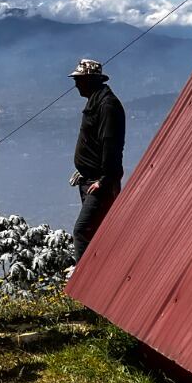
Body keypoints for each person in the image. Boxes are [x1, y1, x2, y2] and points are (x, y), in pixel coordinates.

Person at [69, 58, 125, 261]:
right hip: (90, 180)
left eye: (79, 80)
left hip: (99, 183)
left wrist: (104, 180)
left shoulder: (107, 105)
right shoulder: (96, 102)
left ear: (91, 80)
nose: (76, 84)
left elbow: (111, 146)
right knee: (95, 233)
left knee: (82, 231)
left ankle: (84, 284)